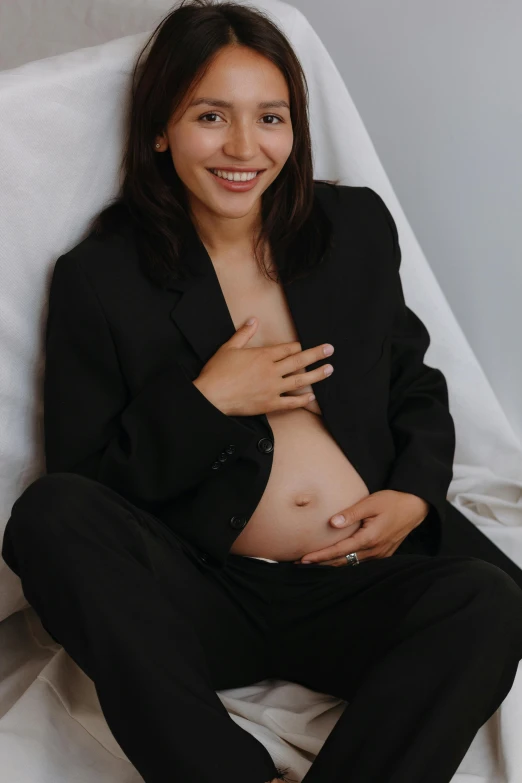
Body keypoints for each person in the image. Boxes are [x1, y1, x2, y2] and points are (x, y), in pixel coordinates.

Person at [2, 2, 522, 782]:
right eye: (211, 115)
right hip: (205, 596)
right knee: (46, 519)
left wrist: (414, 496)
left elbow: (413, 380)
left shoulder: (353, 230)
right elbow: (86, 482)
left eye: (269, 117)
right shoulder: (102, 280)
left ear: (295, 128)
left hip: (356, 582)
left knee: (486, 604)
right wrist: (205, 401)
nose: (244, 147)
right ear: (159, 128)